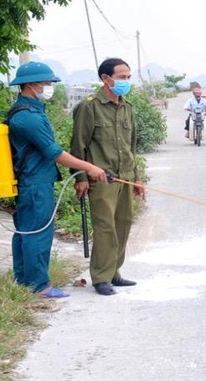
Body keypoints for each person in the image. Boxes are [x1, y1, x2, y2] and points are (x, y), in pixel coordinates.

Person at [7, 61, 107, 299]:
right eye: (47, 83)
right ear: (32, 84)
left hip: (36, 180)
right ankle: (38, 286)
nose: (49, 87)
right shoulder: (27, 117)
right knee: (37, 233)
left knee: (27, 232)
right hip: (34, 183)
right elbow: (55, 153)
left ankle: (24, 282)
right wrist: (90, 167)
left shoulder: (30, 111)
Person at [70, 58, 145, 296]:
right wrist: (81, 177)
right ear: (106, 78)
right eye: (122, 77)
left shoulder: (128, 108)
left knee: (123, 224)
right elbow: (78, 145)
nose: (126, 82)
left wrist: (137, 178)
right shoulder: (89, 107)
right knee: (105, 227)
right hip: (101, 179)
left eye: (128, 77)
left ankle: (114, 273)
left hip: (125, 177)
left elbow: (131, 146)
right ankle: (101, 277)